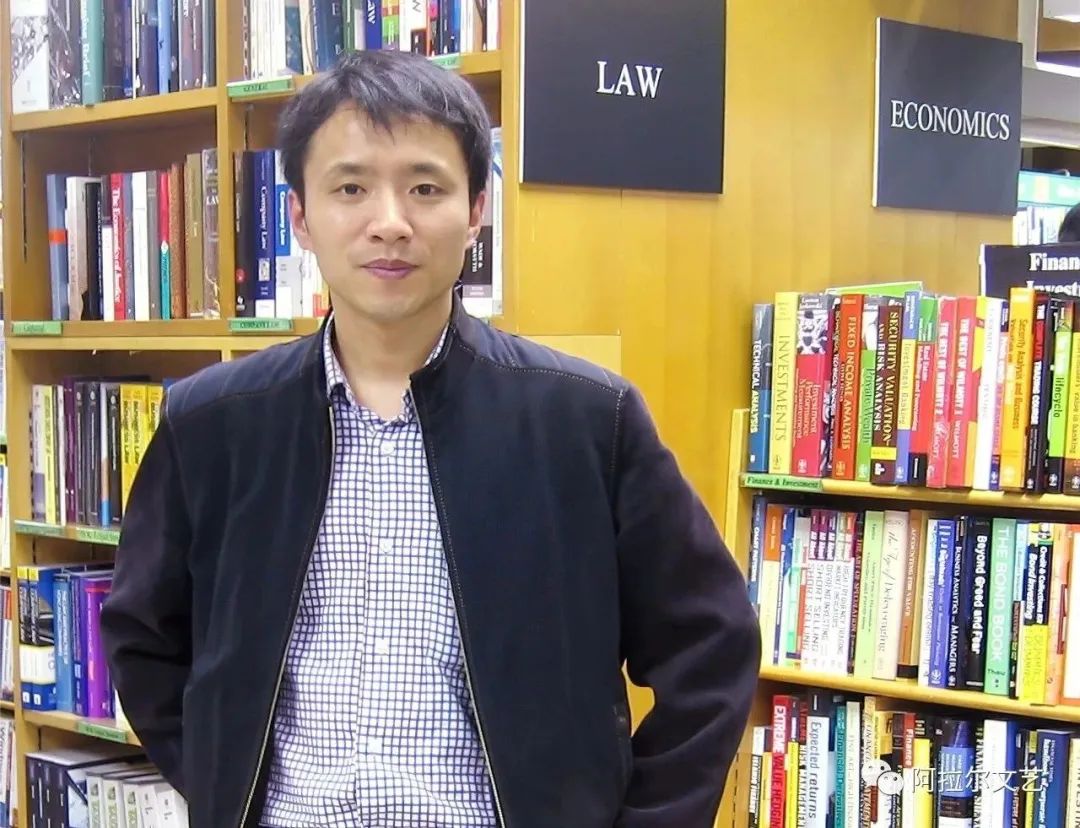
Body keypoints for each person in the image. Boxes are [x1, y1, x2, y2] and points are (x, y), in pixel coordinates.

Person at [99, 49, 760, 828]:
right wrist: (221, 780)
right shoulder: (212, 423)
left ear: (476, 209)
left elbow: (711, 647)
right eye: (351, 188)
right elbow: (144, 637)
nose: (390, 222)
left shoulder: (586, 420)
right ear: (300, 217)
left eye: (425, 188)